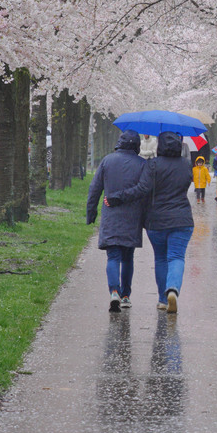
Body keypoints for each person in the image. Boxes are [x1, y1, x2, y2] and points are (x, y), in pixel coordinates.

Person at [86, 129, 152, 312]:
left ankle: (113, 291)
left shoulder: (107, 161)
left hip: (111, 216)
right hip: (132, 217)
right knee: (128, 257)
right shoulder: (142, 164)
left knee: (113, 256)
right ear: (137, 145)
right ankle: (125, 295)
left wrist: (91, 212)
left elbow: (95, 189)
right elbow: (145, 191)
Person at [144, 131, 194, 313]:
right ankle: (173, 288)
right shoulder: (187, 165)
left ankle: (162, 299)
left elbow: (144, 188)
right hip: (182, 219)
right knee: (176, 257)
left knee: (160, 258)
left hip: (156, 220)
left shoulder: (153, 165)